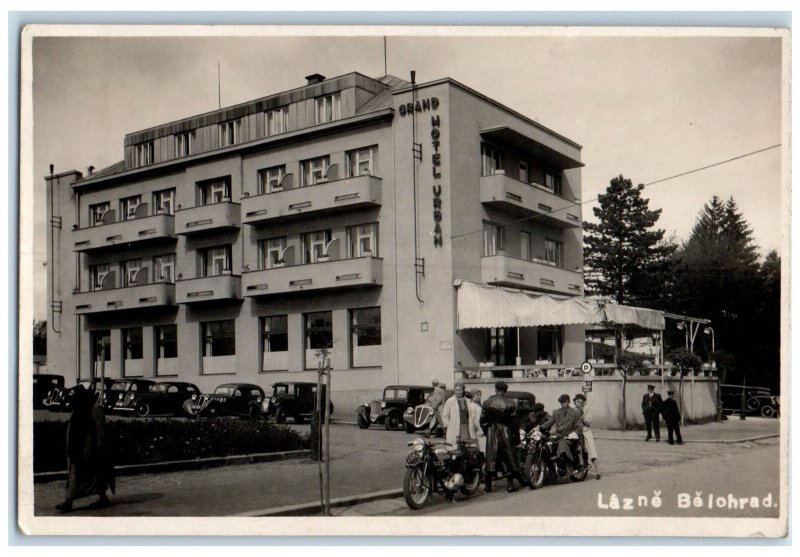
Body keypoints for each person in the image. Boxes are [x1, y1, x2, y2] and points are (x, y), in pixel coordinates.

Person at [55, 384, 115, 512]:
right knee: (80, 474)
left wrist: (100, 448)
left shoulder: (95, 408)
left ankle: (70, 501)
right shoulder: (80, 408)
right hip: (78, 448)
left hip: (89, 449)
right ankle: (71, 501)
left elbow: (101, 431)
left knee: (93, 475)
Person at [480, 381, 527, 493]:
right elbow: (514, 422)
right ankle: (510, 485)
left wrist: (488, 431)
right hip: (507, 431)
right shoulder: (511, 403)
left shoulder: (487, 402)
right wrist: (516, 438)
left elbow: (482, 420)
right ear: (505, 390)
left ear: (495, 389)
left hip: (492, 430)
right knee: (508, 457)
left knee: (491, 457)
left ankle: (488, 485)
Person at [541, 394, 583, 466]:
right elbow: (550, 422)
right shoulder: (556, 412)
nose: (563, 404)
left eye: (564, 402)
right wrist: (540, 427)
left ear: (568, 402)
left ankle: (568, 463)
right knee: (546, 444)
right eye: (561, 403)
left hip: (571, 437)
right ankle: (550, 465)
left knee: (562, 444)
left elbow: (579, 426)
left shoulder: (575, 413)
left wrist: (574, 433)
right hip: (559, 436)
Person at [441, 383, 481, 448]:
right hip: (454, 428)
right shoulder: (450, 401)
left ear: (463, 390)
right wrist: (449, 426)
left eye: (459, 390)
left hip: (466, 428)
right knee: (455, 449)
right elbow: (444, 416)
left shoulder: (468, 401)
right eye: (456, 390)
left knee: (467, 447)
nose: (458, 392)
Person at [574, 393, 601, 480]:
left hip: (585, 432)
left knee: (591, 451)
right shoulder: (572, 410)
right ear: (575, 402)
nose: (579, 404)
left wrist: (582, 414)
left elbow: (588, 422)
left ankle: (598, 471)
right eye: (578, 402)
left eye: (581, 402)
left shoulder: (586, 410)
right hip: (576, 432)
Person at [468, 389, 486, 453]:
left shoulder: (478, 406)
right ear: (473, 396)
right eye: (477, 395)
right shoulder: (472, 406)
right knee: (481, 449)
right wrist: (473, 434)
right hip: (477, 431)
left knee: (483, 449)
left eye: (480, 395)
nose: (479, 396)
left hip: (481, 430)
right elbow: (472, 420)